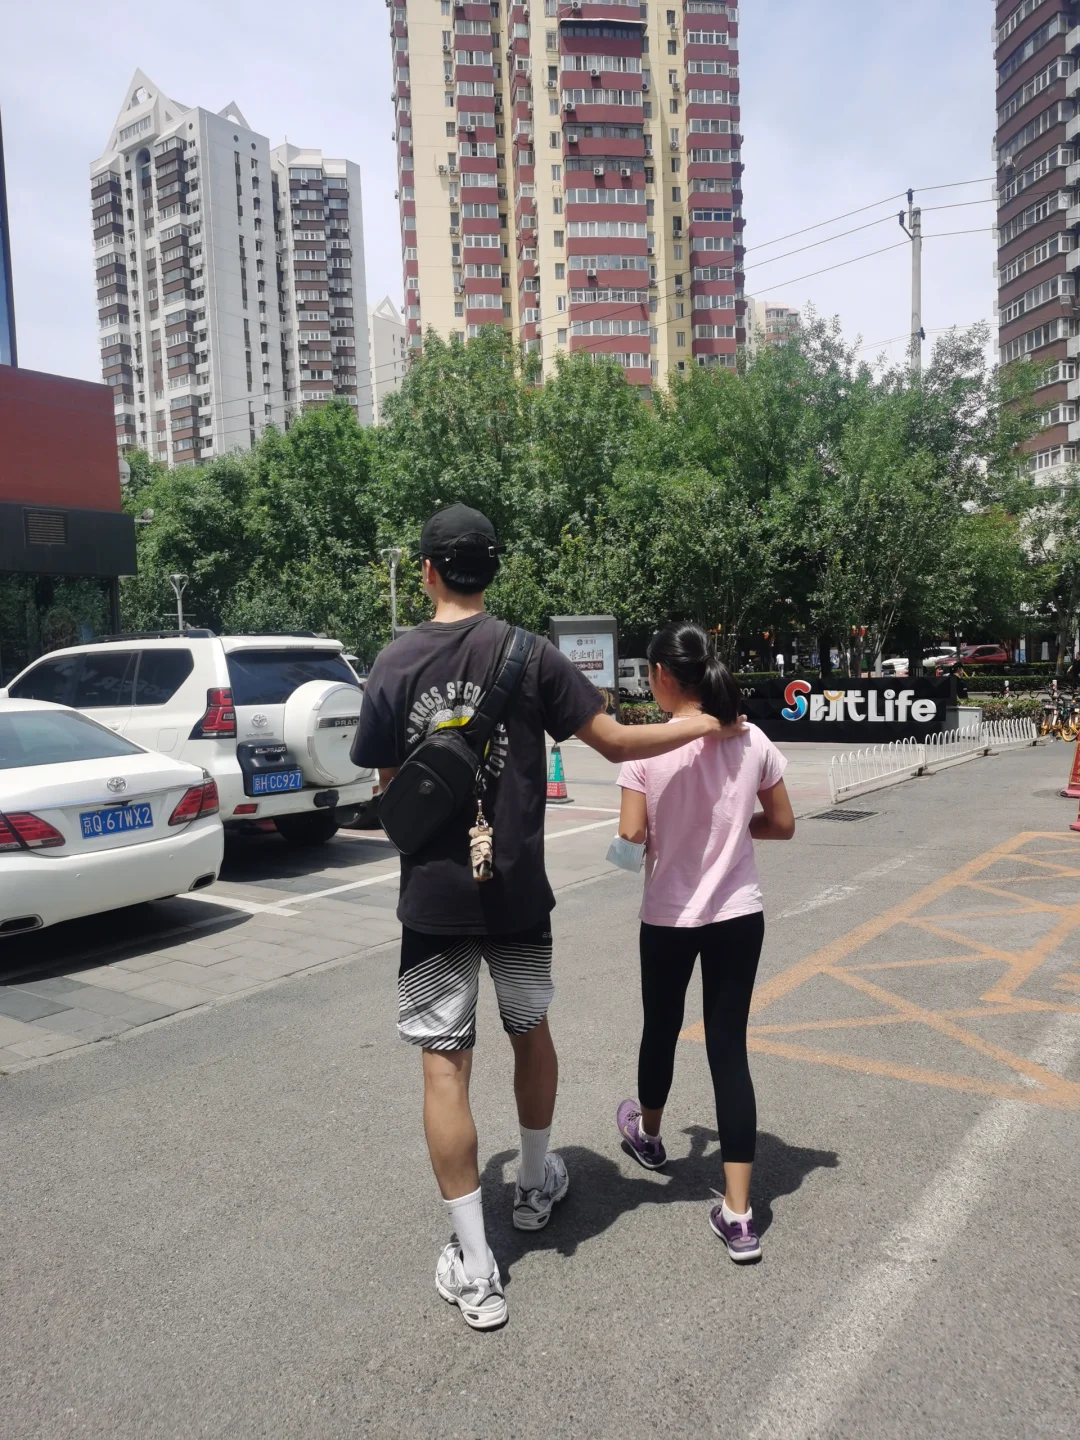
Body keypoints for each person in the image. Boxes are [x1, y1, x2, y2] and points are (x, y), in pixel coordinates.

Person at [352, 506, 748, 1329]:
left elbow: (392, 794)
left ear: (428, 571)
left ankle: (475, 1265)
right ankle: (534, 1187)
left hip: (433, 902)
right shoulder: (531, 654)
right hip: (518, 895)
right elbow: (615, 740)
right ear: (492, 570)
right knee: (530, 1031)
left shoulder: (393, 662)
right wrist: (704, 722)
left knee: (444, 1066)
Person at [613, 621, 795, 1264]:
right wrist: (734, 830)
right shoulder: (752, 739)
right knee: (728, 1051)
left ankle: (650, 1136)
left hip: (667, 917)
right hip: (738, 915)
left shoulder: (644, 749)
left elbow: (631, 836)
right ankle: (740, 1215)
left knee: (660, 1028)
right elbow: (783, 824)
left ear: (662, 676)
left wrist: (640, 839)